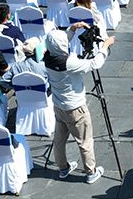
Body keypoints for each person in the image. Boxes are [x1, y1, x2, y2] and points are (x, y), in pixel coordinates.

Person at [44, 28, 114, 184]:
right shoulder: (69, 63)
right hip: (75, 108)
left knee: (59, 140)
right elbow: (95, 64)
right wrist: (105, 46)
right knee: (85, 141)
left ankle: (63, 168)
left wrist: (72, 31)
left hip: (59, 105)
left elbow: (58, 45)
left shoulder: (47, 57)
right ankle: (91, 172)